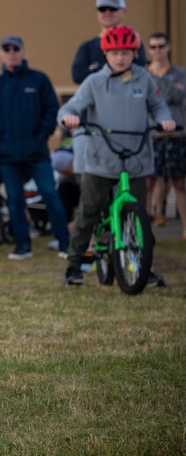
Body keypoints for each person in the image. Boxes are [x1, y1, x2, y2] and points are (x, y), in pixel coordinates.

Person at [58, 25, 174, 286]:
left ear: (134, 54)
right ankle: (74, 266)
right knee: (88, 213)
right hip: (101, 158)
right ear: (106, 55)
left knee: (139, 217)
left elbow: (159, 106)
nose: (120, 57)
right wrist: (69, 117)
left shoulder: (144, 78)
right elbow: (71, 106)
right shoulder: (95, 82)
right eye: (114, 53)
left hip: (136, 158)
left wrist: (165, 120)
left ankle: (144, 266)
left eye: (125, 52)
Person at [0, 35, 70, 260]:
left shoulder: (38, 80)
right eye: (7, 49)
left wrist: (41, 136)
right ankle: (23, 245)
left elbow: (52, 110)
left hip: (37, 152)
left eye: (15, 49)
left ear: (22, 51)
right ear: (1, 54)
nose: (11, 53)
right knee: (15, 199)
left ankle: (65, 243)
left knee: (50, 195)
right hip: (8, 155)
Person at [71, 0, 147, 173]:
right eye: (102, 9)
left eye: (112, 9)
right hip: (93, 122)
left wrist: (97, 71)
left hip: (124, 123)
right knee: (88, 175)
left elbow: (138, 71)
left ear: (122, 11)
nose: (107, 13)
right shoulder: (88, 46)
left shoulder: (134, 42)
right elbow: (78, 75)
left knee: (125, 177)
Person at [145, 32, 186, 239]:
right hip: (152, 135)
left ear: (168, 47)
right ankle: (146, 224)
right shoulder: (143, 74)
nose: (157, 51)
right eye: (153, 47)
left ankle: (185, 227)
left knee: (179, 182)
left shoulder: (180, 73)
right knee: (150, 181)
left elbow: (175, 96)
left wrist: (161, 78)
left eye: (161, 46)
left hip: (176, 133)